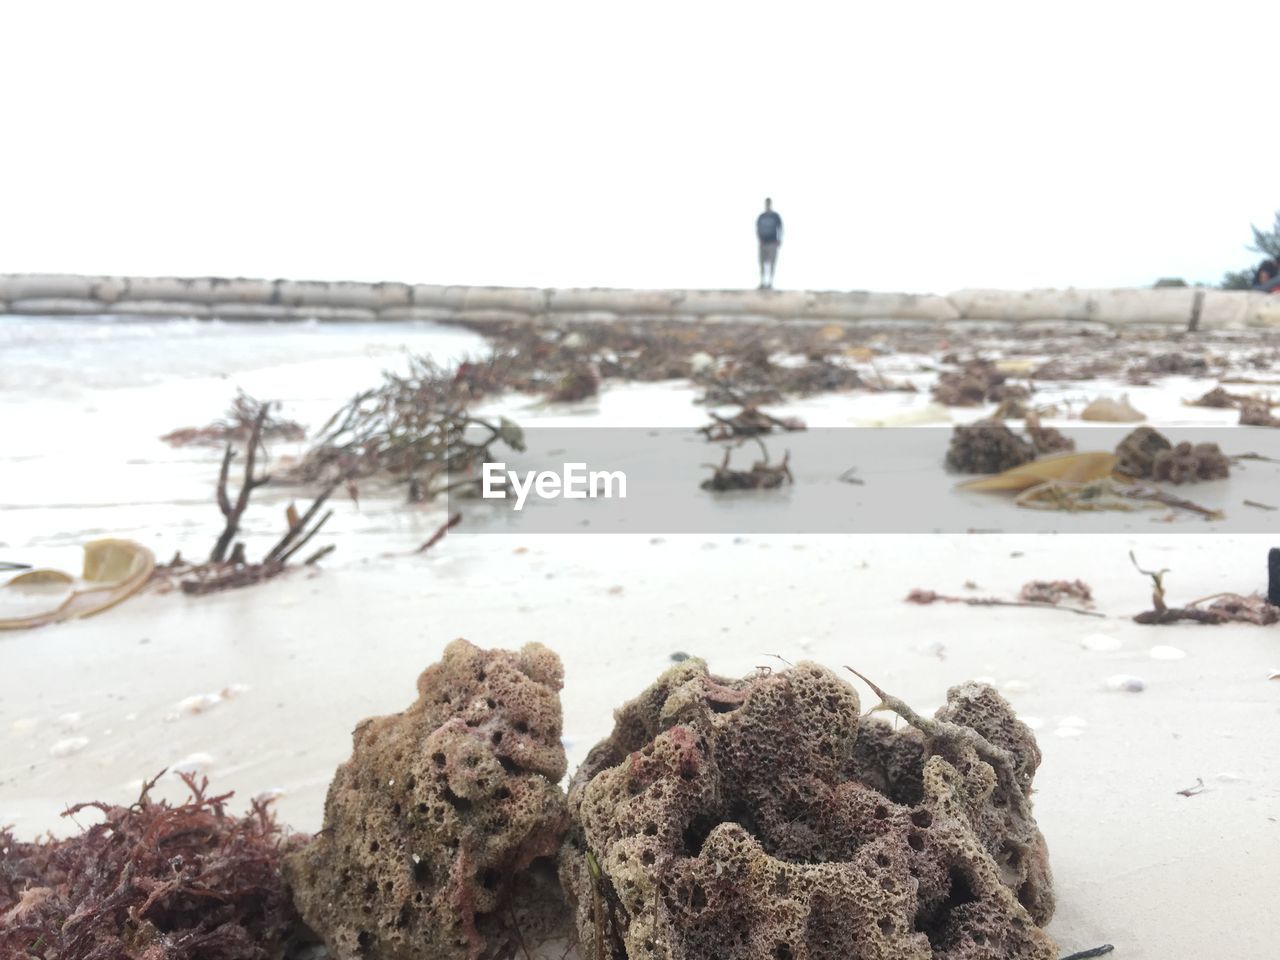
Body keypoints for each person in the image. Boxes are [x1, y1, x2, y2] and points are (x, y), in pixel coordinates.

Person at [756, 198, 783, 289]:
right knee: (762, 263)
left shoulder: (775, 216)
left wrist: (779, 239)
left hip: (772, 242)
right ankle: (762, 282)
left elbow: (780, 228)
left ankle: (770, 282)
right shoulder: (761, 217)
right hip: (763, 242)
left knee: (772, 263)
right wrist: (759, 239)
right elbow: (757, 228)